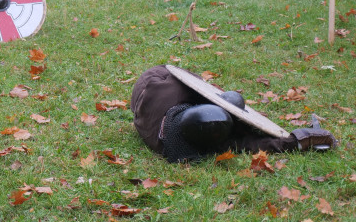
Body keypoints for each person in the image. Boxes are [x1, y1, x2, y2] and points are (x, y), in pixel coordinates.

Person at [130, 65, 336, 163]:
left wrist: (296, 140)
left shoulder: (186, 101)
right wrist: (295, 142)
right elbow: (243, 143)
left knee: (231, 102)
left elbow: (239, 135)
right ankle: (231, 111)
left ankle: (230, 108)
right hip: (150, 90)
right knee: (225, 113)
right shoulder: (180, 140)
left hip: (160, 83)